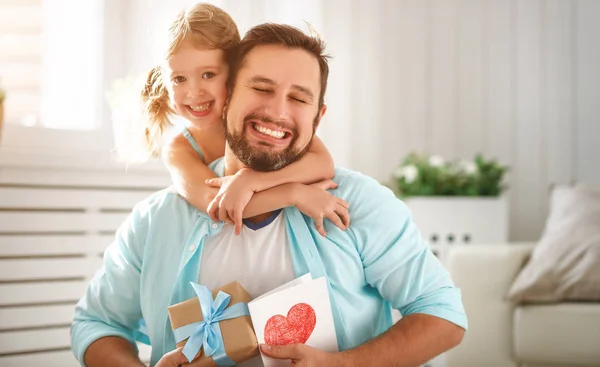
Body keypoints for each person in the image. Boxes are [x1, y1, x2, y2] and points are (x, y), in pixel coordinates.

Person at [71, 22, 467, 367]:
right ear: (224, 98)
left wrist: (340, 365)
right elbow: (95, 324)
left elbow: (443, 316)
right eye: (261, 88)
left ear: (318, 116)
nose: (277, 112)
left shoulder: (358, 203)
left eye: (298, 98)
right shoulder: (156, 219)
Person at [139, 3, 348, 237]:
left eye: (208, 74)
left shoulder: (258, 121)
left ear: (234, 76)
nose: (194, 91)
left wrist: (250, 180)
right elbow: (216, 204)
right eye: (179, 79)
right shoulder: (179, 148)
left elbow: (322, 163)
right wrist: (293, 194)